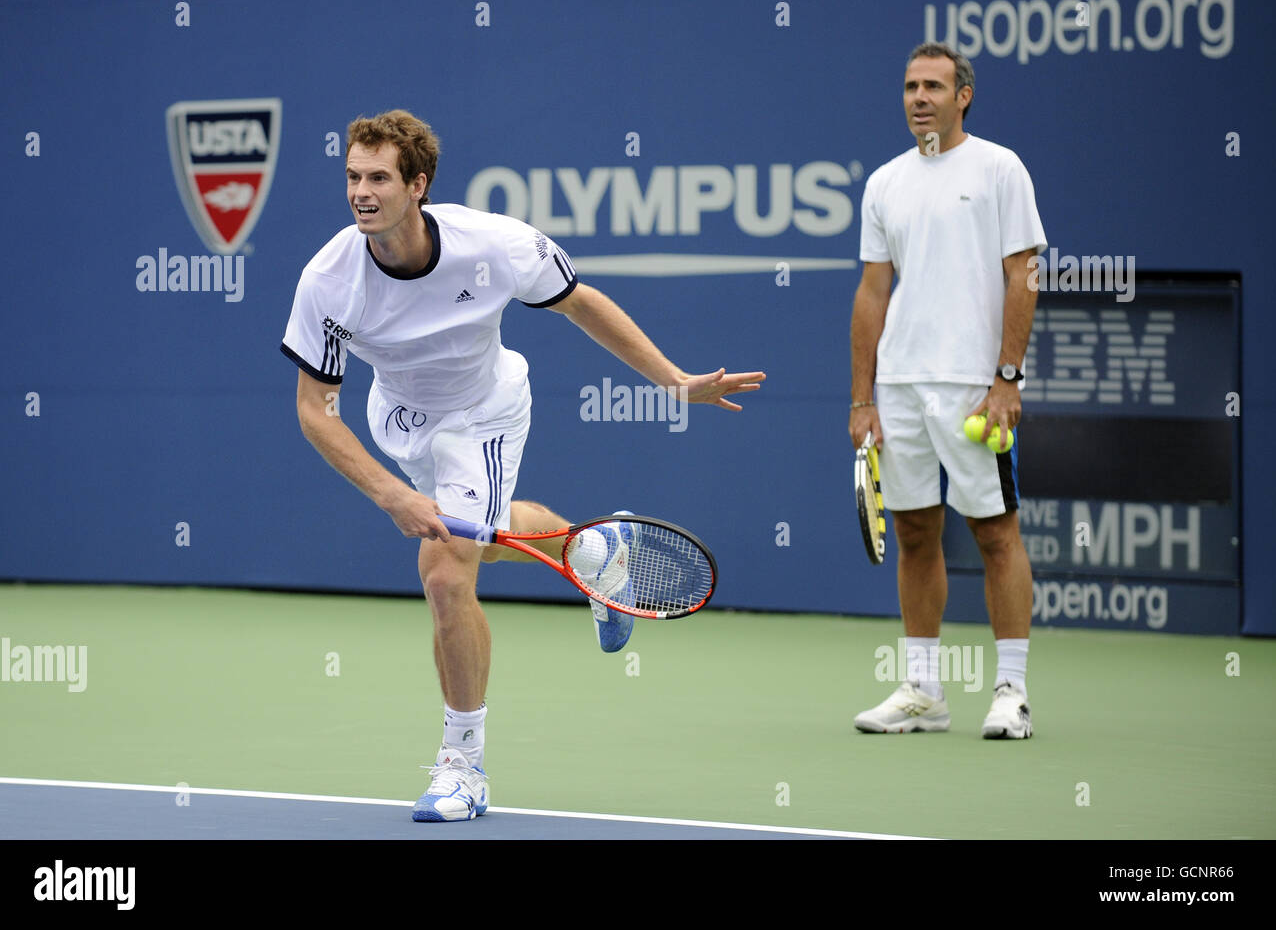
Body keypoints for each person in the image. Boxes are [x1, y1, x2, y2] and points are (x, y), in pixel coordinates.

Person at [280, 110, 763, 820]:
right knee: (488, 531)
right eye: (353, 176)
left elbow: (582, 306)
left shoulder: (493, 245)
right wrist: (391, 494)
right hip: (404, 424)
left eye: (379, 177)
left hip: (485, 412)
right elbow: (314, 409)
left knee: (446, 567)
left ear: (419, 184)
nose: (361, 192)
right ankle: (596, 550)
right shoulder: (327, 279)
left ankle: (462, 765)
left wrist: (676, 381)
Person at [848, 43, 1046, 739]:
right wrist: (862, 397)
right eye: (909, 86)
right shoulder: (884, 183)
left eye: (934, 86)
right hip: (900, 384)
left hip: (972, 386)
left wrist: (1006, 377)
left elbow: (1024, 273)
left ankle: (1012, 692)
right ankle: (924, 690)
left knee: (994, 532)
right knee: (913, 532)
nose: (919, 97)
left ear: (964, 95)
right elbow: (874, 291)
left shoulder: (999, 168)